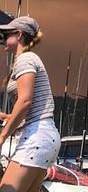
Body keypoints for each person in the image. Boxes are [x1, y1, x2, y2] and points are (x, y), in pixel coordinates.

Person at [0, 17, 60, 192]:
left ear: (19, 35)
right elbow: (29, 108)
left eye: (6, 34)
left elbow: (25, 101)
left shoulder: (25, 59)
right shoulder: (28, 59)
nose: (3, 38)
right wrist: (6, 116)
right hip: (44, 135)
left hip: (36, 136)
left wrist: (3, 136)